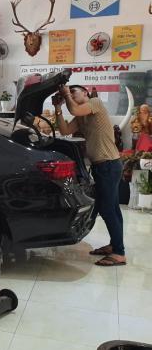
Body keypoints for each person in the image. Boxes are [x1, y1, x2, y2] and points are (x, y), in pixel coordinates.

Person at [54, 84, 126, 267]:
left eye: (74, 92)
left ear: (86, 93)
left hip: (108, 165)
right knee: (111, 209)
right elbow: (64, 130)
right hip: (103, 166)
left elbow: (75, 109)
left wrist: (65, 94)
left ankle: (119, 253)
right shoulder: (81, 116)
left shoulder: (95, 103)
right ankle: (115, 245)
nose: (71, 95)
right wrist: (57, 109)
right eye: (70, 92)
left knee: (108, 209)